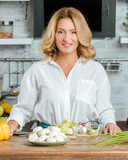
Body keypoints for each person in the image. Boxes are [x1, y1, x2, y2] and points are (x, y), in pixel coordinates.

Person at [7, 7, 121, 136]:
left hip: (85, 141)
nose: (67, 38)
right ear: (53, 35)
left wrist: (110, 123)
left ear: (81, 35)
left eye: (73, 32)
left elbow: (104, 109)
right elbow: (23, 109)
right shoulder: (37, 71)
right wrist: (12, 123)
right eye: (61, 32)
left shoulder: (96, 71)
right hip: (48, 139)